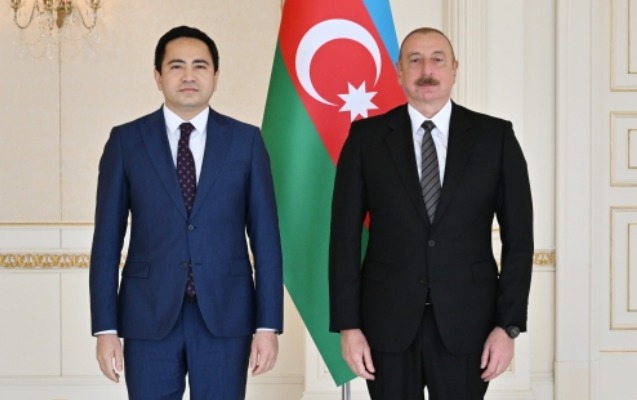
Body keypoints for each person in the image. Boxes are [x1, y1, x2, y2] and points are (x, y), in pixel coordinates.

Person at [329, 27, 533, 400]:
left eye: (437, 59)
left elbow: (519, 240)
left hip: (469, 324)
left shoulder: (495, 137)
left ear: (454, 68)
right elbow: (343, 239)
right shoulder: (365, 139)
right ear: (399, 71)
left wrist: (508, 326)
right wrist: (348, 326)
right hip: (386, 324)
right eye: (415, 60)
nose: (427, 70)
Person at [89, 25, 283, 400]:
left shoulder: (246, 141)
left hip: (226, 314)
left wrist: (267, 325)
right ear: (158, 76)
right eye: (177, 66)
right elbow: (106, 242)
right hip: (147, 315)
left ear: (216, 76)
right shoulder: (126, 141)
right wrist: (105, 329)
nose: (189, 76)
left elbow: (266, 240)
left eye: (200, 66)